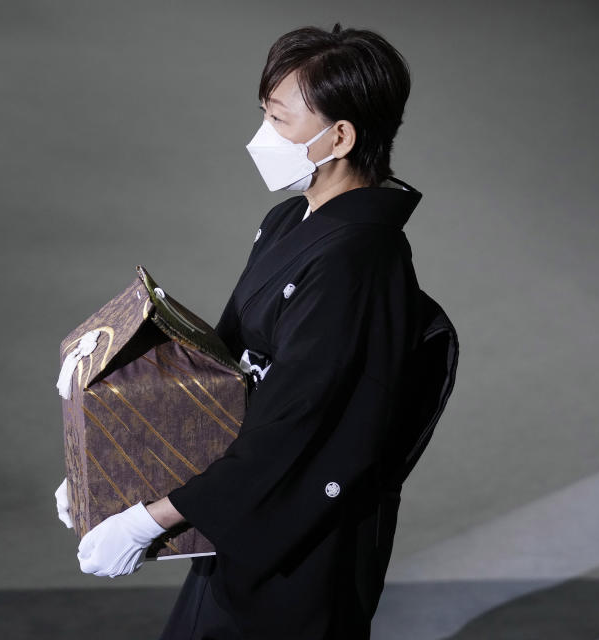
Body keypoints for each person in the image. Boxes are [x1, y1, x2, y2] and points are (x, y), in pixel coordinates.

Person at [62, 23, 429, 639]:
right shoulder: (290, 219)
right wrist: (105, 471)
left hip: (299, 535)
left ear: (338, 137)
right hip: (239, 505)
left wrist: (147, 520)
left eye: (280, 121)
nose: (263, 137)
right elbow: (220, 372)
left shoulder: (355, 261)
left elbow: (293, 430)